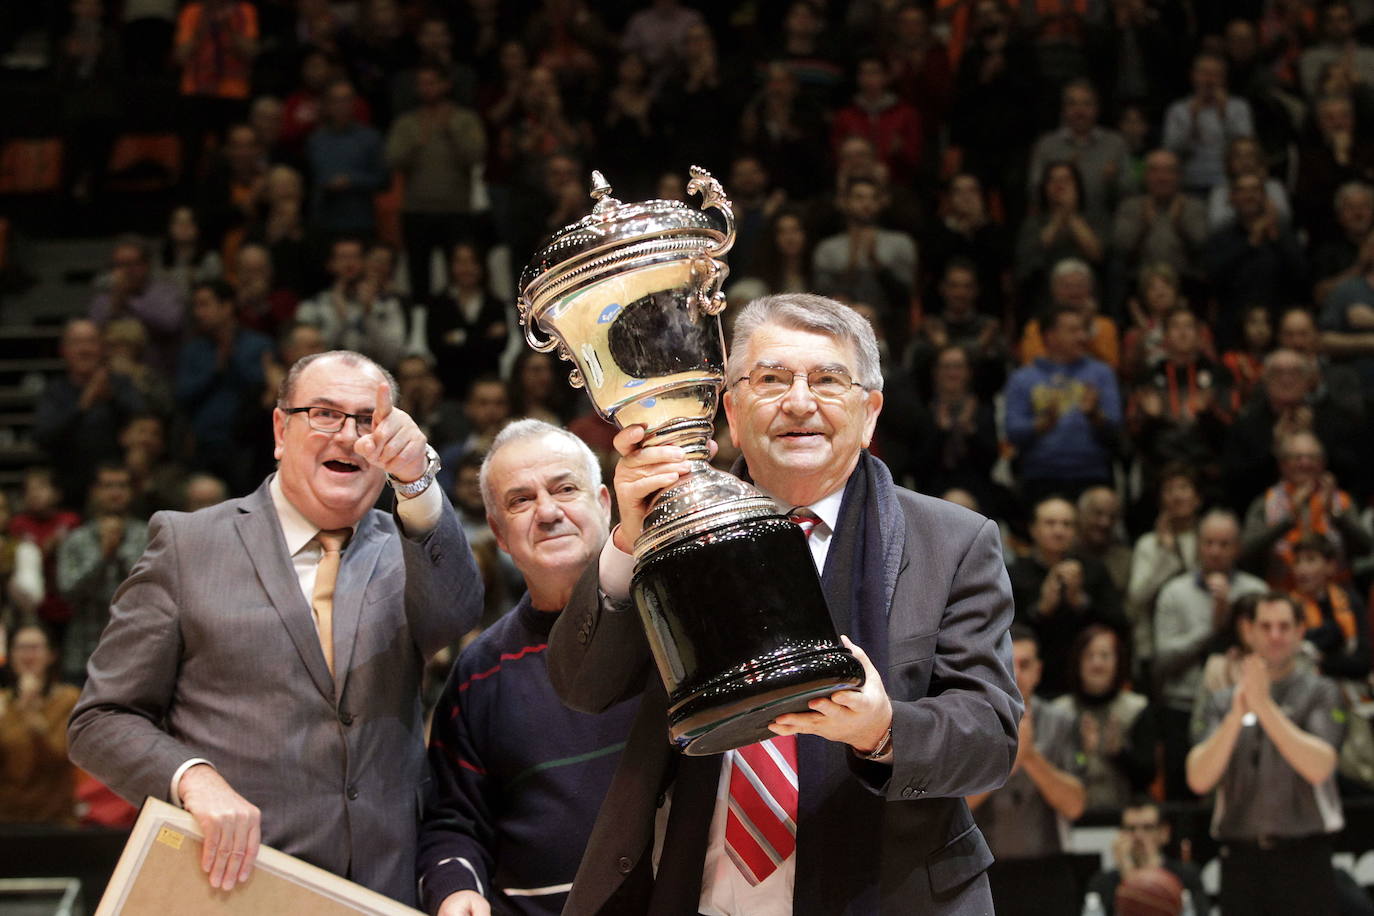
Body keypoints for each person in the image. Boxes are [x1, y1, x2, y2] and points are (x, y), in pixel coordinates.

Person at [547, 293, 1020, 914]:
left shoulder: (954, 543)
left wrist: (882, 730)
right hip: (705, 893)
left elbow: (990, 737)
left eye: (827, 380)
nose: (800, 402)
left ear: (869, 412)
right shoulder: (667, 529)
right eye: (771, 379)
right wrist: (629, 544)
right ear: (732, 412)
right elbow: (583, 686)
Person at [68, 350, 483, 903]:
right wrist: (193, 777)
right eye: (326, 414)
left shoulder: (408, 544)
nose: (347, 437)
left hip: (384, 892)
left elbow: (457, 612)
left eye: (367, 421)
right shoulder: (187, 547)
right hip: (238, 889)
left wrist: (418, 487)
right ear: (280, 429)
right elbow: (100, 718)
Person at [418, 420, 638, 915]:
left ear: (604, 503)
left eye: (564, 489)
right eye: (520, 500)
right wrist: (456, 889)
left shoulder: (675, 625)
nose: (547, 512)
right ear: (497, 532)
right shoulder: (479, 672)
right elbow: (453, 821)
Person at [1187, 593, 1346, 915]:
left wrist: (1263, 706)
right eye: (1266, 626)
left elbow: (1320, 767)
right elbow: (1199, 779)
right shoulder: (1221, 701)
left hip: (1306, 857)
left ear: (1300, 631)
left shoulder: (1322, 691)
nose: (1275, 635)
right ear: (1249, 631)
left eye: (1284, 626)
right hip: (1241, 861)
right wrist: (1236, 715)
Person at [968, 626, 1085, 916]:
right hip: (985, 869)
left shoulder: (1064, 722)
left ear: (1039, 671)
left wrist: (1031, 757)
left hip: (1049, 869)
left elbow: (1076, 805)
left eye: (1026, 664)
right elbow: (958, 803)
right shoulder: (970, 718)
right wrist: (1007, 765)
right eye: (1010, 662)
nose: (1017, 673)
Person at [1154, 509, 1267, 799]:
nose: (1215, 551)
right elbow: (1162, 661)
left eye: (1225, 544)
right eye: (1209, 543)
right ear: (1197, 544)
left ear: (1238, 547)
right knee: (1185, 798)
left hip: (1242, 706)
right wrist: (1212, 624)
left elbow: (1269, 651)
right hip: (1183, 705)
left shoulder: (1257, 591)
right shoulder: (1174, 592)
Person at [384, 64, 487, 300]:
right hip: (417, 209)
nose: (426, 88)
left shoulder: (464, 119)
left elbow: (476, 155)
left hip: (456, 208)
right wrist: (417, 142)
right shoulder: (408, 122)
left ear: (445, 84)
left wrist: (450, 131)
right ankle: (420, 323)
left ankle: (457, 314)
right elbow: (392, 159)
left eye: (431, 82)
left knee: (460, 269)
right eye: (421, 83)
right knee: (418, 272)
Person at [1008, 496, 1126, 699]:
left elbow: (1119, 626)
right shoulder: (1014, 573)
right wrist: (1041, 610)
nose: (1059, 531)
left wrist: (1081, 602)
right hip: (1029, 686)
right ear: (1033, 529)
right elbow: (1003, 633)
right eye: (1050, 523)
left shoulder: (1094, 570)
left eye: (1067, 524)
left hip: (1083, 686)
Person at [1004, 304, 1122, 506]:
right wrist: (1041, 424)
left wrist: (1094, 415)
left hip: (1092, 475)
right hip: (1041, 476)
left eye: (1083, 330)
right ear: (1050, 336)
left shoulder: (1101, 373)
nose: (1082, 337)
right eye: (1073, 330)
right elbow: (1012, 432)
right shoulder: (1023, 378)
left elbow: (1116, 428)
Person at [33, 319, 147, 513]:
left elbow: (144, 424)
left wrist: (112, 398)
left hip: (118, 489)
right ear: (63, 351)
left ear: (102, 348)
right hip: (69, 490)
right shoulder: (54, 391)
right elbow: (44, 437)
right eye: (76, 343)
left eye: (91, 342)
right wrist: (82, 406)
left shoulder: (120, 385)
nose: (84, 349)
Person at [55, 464, 149, 683]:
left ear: (132, 492)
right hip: (83, 651)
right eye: (108, 486)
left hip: (136, 650)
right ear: (95, 491)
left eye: (122, 486)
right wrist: (102, 558)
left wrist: (120, 553)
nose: (115, 492)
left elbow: (152, 588)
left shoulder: (149, 535)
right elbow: (66, 590)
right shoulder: (75, 539)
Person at [1049, 626, 1158, 811]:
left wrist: (1119, 753)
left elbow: (1148, 776)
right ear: (1077, 663)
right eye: (1089, 656)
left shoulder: (1137, 708)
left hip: (1124, 820)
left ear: (1119, 663)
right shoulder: (1059, 712)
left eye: (1105, 656)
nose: (1097, 664)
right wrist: (1081, 755)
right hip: (1069, 818)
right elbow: (1049, 773)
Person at [0, 622, 81, 824]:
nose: (28, 655)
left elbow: (60, 757)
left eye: (35, 648)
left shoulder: (69, 699)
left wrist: (31, 713)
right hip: (7, 817)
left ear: (51, 655)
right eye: (21, 648)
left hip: (56, 818)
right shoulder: (2, 702)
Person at [1082, 800, 1207, 916]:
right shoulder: (1102, 882)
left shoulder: (1186, 877)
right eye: (1130, 829)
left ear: (1164, 833)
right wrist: (1127, 871)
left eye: (1147, 828)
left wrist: (1151, 873)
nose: (1138, 835)